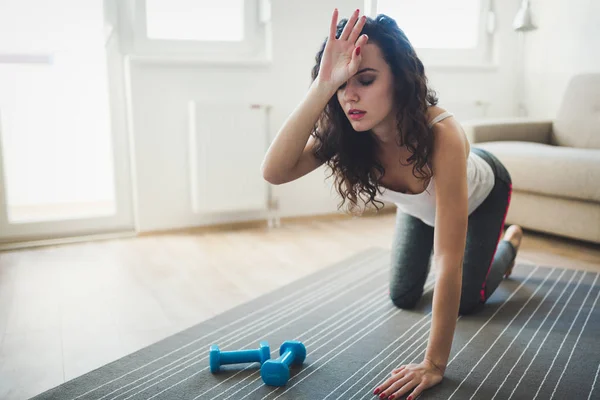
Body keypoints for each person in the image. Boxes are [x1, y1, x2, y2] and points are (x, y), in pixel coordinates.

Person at [261, 8, 524, 400]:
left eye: (365, 80)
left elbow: (448, 258)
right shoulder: (348, 129)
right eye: (341, 84)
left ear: (399, 80)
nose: (350, 95)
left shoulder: (443, 134)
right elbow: (275, 171)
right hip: (421, 208)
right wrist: (321, 87)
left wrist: (434, 364)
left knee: (468, 300)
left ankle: (509, 245)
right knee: (403, 296)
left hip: (479, 196)